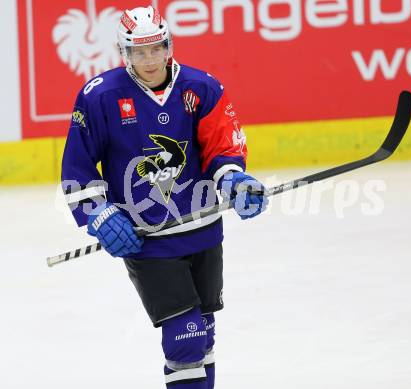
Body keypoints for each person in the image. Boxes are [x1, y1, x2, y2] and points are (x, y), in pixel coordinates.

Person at [61, 5, 268, 389]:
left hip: (203, 230)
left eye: (156, 48)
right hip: (148, 240)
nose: (149, 59)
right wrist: (100, 213)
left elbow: (222, 147)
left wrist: (233, 180)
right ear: (125, 53)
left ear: (168, 45)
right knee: (184, 338)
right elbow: (78, 169)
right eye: (139, 52)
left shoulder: (201, 87)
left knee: (203, 336)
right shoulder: (100, 97)